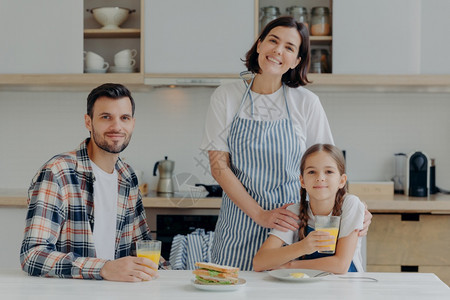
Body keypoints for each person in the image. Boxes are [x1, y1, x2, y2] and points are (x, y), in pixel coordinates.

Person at [200, 16, 371, 271]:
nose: (278, 51)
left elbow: (328, 166)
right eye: (273, 41)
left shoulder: (306, 102)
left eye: (290, 47)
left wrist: (354, 210)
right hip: (238, 225)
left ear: (297, 61)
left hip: (291, 227)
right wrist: (260, 214)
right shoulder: (227, 96)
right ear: (259, 45)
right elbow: (219, 167)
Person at [20, 83, 158, 282]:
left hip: (117, 291)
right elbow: (32, 256)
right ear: (88, 121)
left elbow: (141, 248)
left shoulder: (127, 176)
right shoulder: (58, 172)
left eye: (124, 118)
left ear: (132, 123)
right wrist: (104, 268)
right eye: (106, 117)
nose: (117, 127)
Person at [253, 144, 365, 273]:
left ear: (342, 180)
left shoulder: (350, 204)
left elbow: (340, 265)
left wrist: (289, 266)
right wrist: (303, 247)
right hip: (307, 288)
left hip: (344, 286)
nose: (320, 178)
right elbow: (259, 262)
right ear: (302, 181)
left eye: (329, 172)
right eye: (312, 172)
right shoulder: (295, 211)